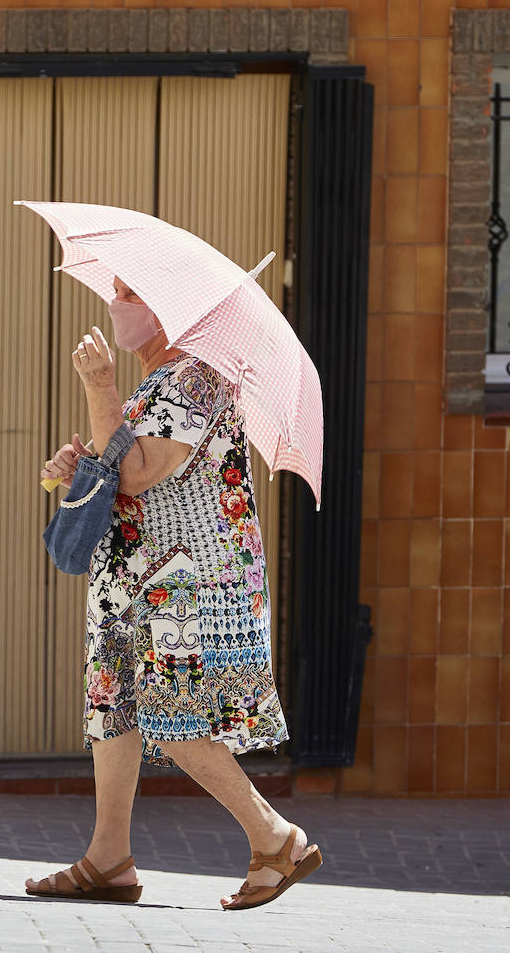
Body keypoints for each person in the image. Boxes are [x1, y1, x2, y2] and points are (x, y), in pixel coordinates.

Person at [24, 280, 322, 911]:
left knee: (175, 719)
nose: (116, 305)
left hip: (185, 587)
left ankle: (276, 838)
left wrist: (99, 387)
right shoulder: (158, 383)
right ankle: (109, 860)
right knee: (116, 713)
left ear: (166, 309)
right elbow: (122, 469)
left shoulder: (195, 379)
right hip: (132, 585)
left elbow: (137, 472)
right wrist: (81, 467)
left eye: (129, 295)